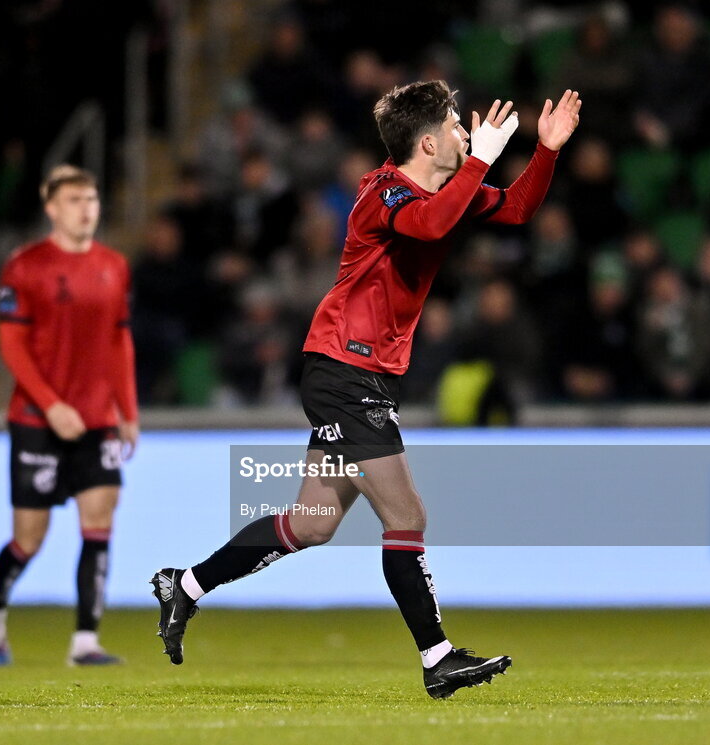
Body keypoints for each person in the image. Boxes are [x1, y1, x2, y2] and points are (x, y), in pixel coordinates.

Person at [152, 81, 580, 698]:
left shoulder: (440, 191)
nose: (466, 133)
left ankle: (184, 586)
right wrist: (483, 157)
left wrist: (547, 151)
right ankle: (437, 659)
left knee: (312, 522)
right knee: (405, 513)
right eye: (458, 127)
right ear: (429, 141)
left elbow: (514, 210)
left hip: (361, 372)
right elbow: (430, 227)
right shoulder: (385, 192)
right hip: (343, 369)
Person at [0, 165, 139, 666]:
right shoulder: (25, 267)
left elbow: (118, 341)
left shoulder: (113, 265)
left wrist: (127, 409)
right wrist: (52, 405)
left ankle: (85, 641)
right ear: (51, 208)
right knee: (30, 537)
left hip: (97, 418)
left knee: (99, 518)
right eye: (74, 200)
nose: (86, 208)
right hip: (36, 420)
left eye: (91, 199)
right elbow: (12, 345)